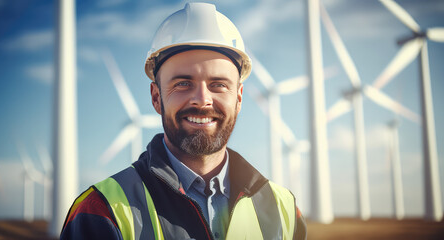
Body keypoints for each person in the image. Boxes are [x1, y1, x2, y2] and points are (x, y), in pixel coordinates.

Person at [61, 2, 306, 239]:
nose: (202, 100)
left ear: (239, 98)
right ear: (156, 97)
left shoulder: (284, 210)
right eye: (183, 84)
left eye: (218, 85)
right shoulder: (101, 211)